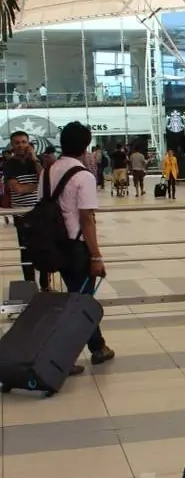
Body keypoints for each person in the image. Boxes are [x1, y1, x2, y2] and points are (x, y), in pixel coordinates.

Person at [40, 121, 114, 367]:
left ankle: (98, 347)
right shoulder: (83, 175)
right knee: (79, 304)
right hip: (77, 249)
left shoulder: (47, 172)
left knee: (77, 300)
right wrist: (96, 256)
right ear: (85, 146)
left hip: (55, 245)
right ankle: (60, 357)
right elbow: (87, 219)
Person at [3, 130, 49, 290]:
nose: (21, 145)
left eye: (24, 142)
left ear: (29, 143)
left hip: (41, 214)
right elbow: (17, 188)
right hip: (22, 216)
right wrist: (37, 187)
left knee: (44, 249)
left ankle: (45, 286)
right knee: (26, 252)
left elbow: (45, 178)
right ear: (12, 145)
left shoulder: (37, 161)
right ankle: (30, 287)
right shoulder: (8, 164)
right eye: (17, 143)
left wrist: (35, 159)